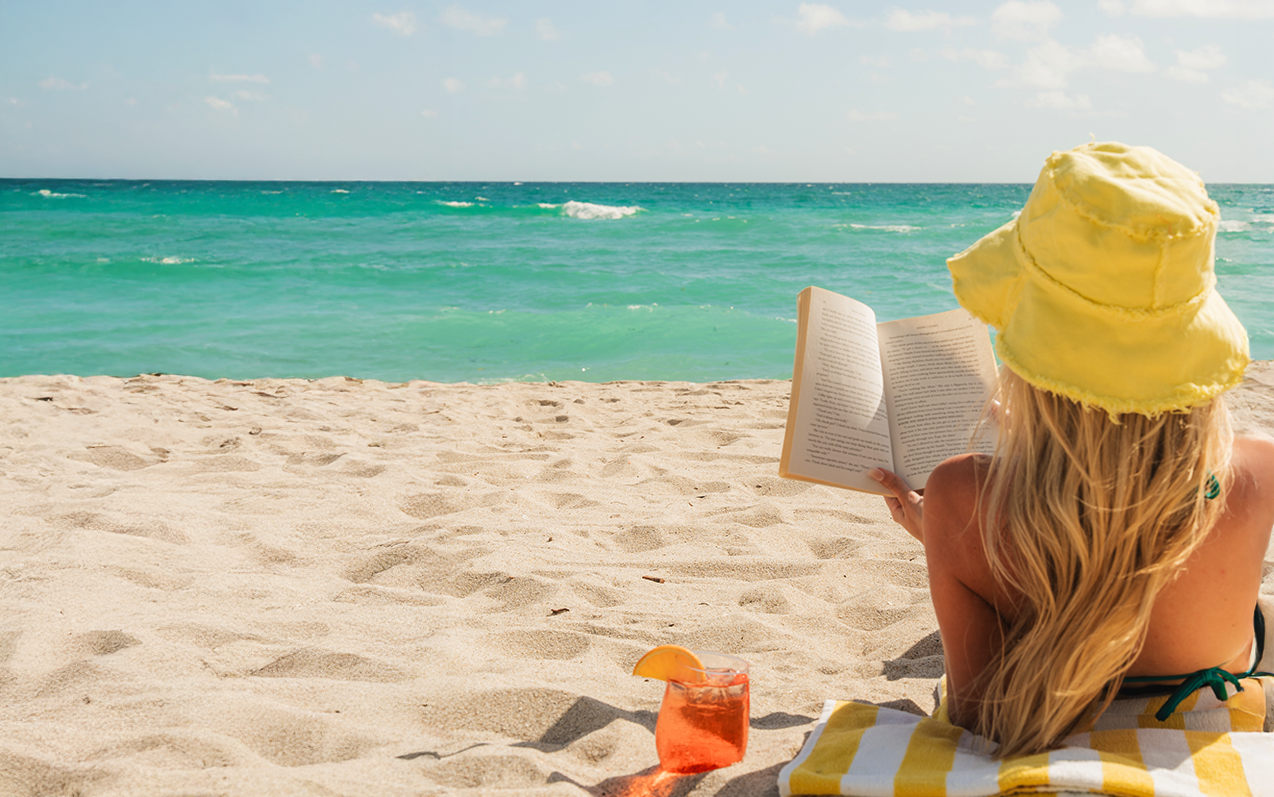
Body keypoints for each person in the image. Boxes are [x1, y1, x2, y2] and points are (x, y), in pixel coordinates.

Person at [869, 141, 1274, 758]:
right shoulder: (1257, 471)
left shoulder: (958, 495)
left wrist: (949, 539)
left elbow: (977, 719)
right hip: (1213, 724)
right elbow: (1134, 527)